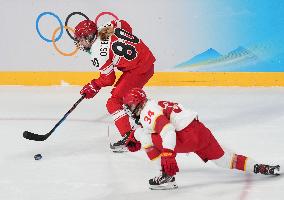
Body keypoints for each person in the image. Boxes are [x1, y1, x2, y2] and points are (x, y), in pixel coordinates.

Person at [121, 88, 280, 190]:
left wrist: (168, 154)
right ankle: (259, 167)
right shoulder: (155, 104)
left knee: (142, 135)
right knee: (224, 160)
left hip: (184, 136)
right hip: (200, 131)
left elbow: (168, 130)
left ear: (137, 104)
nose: (128, 110)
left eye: (129, 106)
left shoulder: (147, 112)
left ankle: (165, 176)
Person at [74, 19, 155, 152]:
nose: (80, 43)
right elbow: (125, 24)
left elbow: (109, 79)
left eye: (81, 39)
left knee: (114, 102)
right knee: (125, 98)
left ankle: (130, 140)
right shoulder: (104, 28)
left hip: (139, 69)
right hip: (145, 60)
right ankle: (147, 120)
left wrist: (94, 85)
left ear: (89, 37)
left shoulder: (98, 53)